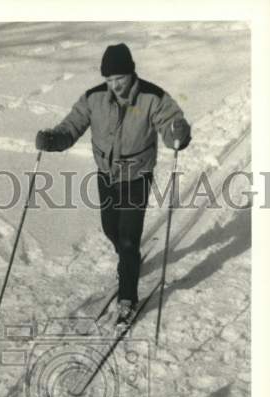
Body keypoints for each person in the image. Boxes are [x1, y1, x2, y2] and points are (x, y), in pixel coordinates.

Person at [36, 42, 191, 328]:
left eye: (119, 79)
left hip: (137, 177)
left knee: (129, 239)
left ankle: (127, 299)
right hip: (106, 176)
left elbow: (171, 122)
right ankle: (128, 261)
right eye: (109, 80)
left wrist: (177, 133)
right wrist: (54, 139)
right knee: (112, 230)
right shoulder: (94, 98)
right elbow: (72, 125)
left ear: (131, 74)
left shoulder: (151, 97)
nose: (115, 85)